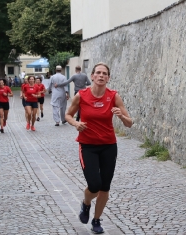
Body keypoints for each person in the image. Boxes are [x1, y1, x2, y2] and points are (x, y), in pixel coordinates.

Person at [65, 62, 133, 234]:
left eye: (105, 74)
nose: (101, 76)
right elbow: (68, 115)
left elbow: (129, 123)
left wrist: (121, 116)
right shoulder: (81, 95)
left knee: (105, 186)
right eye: (98, 73)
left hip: (109, 146)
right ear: (93, 76)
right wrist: (75, 123)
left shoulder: (113, 96)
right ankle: (86, 203)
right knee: (94, 184)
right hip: (87, 146)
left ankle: (96, 220)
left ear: (108, 78)